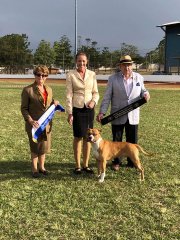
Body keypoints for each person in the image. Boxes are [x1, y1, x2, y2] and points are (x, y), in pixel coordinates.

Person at [97, 55, 150, 170]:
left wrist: (146, 94)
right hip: (117, 114)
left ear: (132, 65)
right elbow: (107, 97)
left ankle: (132, 162)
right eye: (124, 65)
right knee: (116, 140)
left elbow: (143, 90)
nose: (127, 67)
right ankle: (116, 162)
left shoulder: (139, 78)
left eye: (129, 65)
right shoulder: (112, 79)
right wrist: (102, 112)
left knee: (132, 140)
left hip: (133, 115)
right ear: (120, 66)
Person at [21, 66, 59, 178]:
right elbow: (24, 109)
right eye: (39, 74)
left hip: (46, 124)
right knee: (35, 147)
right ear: (35, 75)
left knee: (43, 147)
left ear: (47, 76)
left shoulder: (49, 89)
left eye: (44, 75)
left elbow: (47, 103)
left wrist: (54, 102)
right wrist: (31, 121)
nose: (41, 77)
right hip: (34, 125)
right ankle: (34, 169)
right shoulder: (28, 90)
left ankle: (42, 167)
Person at [66, 52, 99, 174]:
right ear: (76, 61)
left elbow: (96, 92)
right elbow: (69, 95)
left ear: (87, 61)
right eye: (79, 61)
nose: (81, 63)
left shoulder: (92, 74)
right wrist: (70, 112)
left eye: (83, 61)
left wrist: (93, 102)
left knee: (88, 138)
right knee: (78, 137)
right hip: (77, 109)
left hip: (89, 109)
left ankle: (86, 165)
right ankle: (78, 165)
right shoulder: (71, 75)